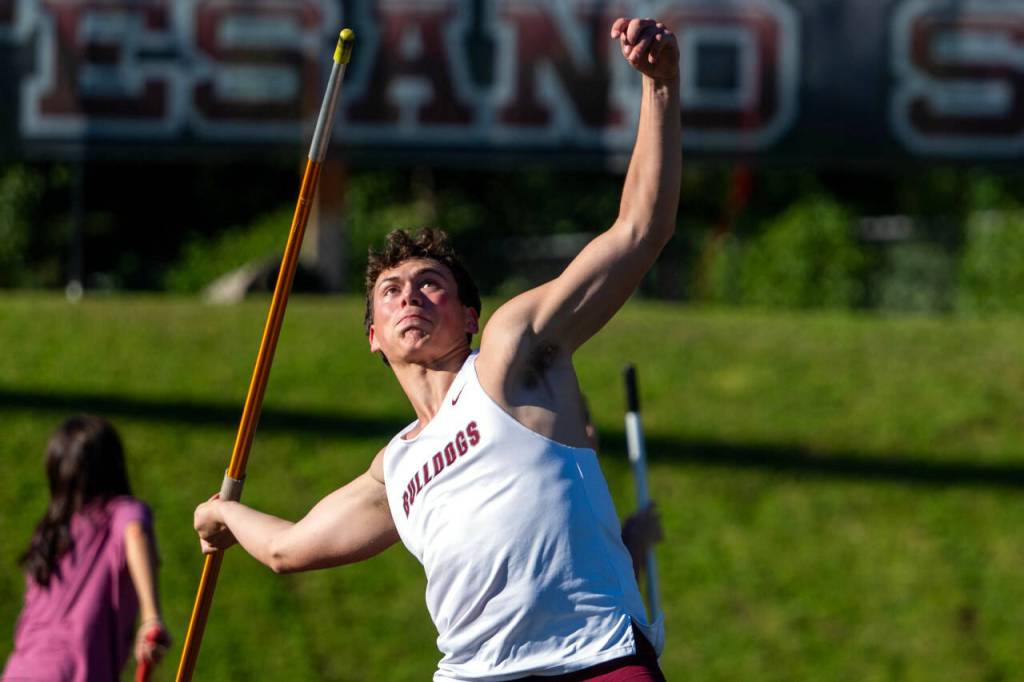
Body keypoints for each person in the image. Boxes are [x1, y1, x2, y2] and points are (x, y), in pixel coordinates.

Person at [194, 15, 679, 681]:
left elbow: (639, 230)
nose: (411, 297)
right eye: (391, 291)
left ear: (470, 316)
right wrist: (223, 513)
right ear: (373, 337)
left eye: (431, 285)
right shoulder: (395, 469)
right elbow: (286, 549)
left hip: (591, 659)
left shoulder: (512, 356)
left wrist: (659, 88)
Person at [2, 416, 170, 682]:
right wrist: (151, 617)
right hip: (74, 672)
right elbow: (136, 532)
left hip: (20, 671)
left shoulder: (49, 534)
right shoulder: (122, 513)